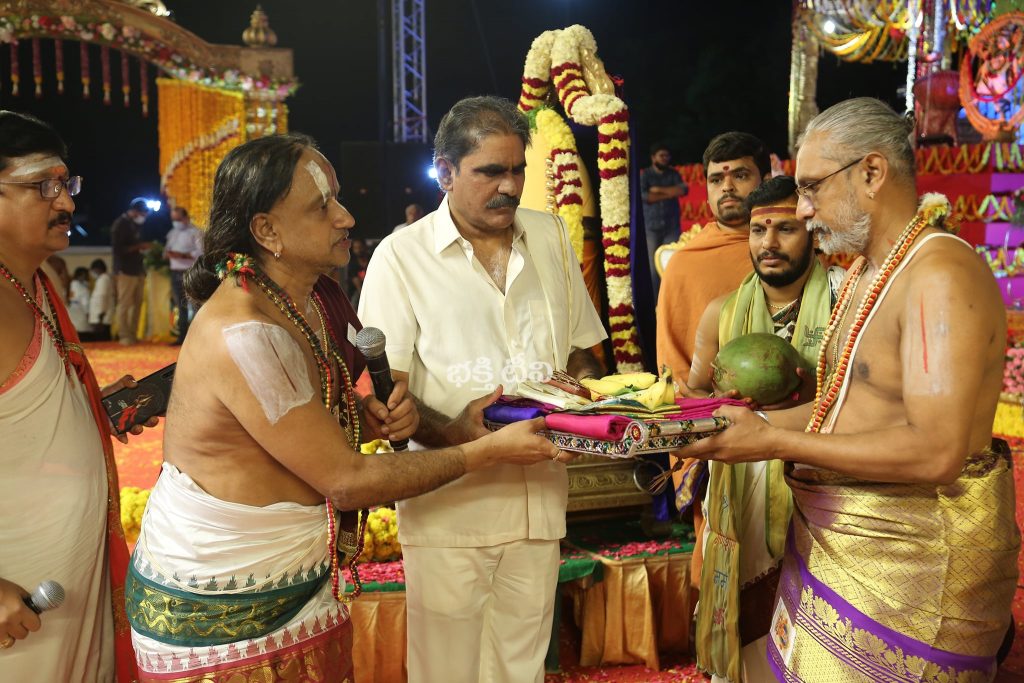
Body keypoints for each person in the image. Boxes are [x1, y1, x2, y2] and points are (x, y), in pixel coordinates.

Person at [126, 132, 568, 682]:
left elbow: (313, 409)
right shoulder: (246, 333)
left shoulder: (311, 299)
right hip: (222, 608)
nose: (346, 217)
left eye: (336, 197)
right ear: (267, 231)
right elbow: (347, 481)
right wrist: (486, 452)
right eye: (322, 207)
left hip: (296, 586)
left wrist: (411, 422)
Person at [677, 98, 1019, 680]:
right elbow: (844, 410)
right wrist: (736, 428)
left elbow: (936, 452)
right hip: (840, 543)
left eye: (812, 188)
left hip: (911, 567)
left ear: (872, 172)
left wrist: (771, 442)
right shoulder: (865, 271)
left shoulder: (937, 275)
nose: (804, 210)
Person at [359, 95, 607, 683]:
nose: (510, 186)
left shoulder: (550, 235)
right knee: (446, 671)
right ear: (444, 172)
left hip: (540, 501)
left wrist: (586, 411)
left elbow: (581, 351)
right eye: (491, 172)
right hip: (449, 507)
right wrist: (456, 433)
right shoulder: (401, 256)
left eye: (518, 169)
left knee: (523, 667)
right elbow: (388, 393)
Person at [0, 110, 153, 683]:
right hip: (17, 606)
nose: (65, 202)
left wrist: (87, 407)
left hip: (70, 590)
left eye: (67, 184)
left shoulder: (37, 283)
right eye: (43, 185)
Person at [684, 176, 843, 682]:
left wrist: (790, 409)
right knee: (750, 641)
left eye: (785, 229)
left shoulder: (847, 301)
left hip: (825, 485)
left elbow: (865, 403)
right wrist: (718, 407)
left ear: (813, 231)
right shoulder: (721, 312)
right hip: (740, 487)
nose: (768, 243)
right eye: (758, 230)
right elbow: (693, 398)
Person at [641, 142, 687, 294]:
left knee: (671, 263)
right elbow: (646, 197)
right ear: (653, 158)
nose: (665, 158)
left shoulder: (673, 173)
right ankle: (656, 301)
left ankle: (671, 297)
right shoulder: (646, 175)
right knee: (653, 268)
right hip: (651, 228)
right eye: (661, 156)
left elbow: (683, 190)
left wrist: (657, 190)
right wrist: (670, 193)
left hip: (671, 227)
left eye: (667, 156)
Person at [110, 197, 152, 345]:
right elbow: (117, 250)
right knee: (125, 304)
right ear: (134, 211)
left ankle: (133, 335)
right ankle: (124, 335)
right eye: (142, 214)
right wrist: (138, 247)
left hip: (138, 270)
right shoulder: (120, 224)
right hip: (125, 270)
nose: (143, 217)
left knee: (138, 303)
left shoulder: (135, 224)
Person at [163, 205, 202, 344]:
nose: (176, 222)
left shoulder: (195, 232)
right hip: (175, 272)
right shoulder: (172, 233)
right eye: (173, 219)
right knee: (180, 306)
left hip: (190, 271)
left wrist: (183, 255)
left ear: (186, 218)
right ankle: (182, 337)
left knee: (196, 305)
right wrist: (168, 254)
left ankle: (197, 338)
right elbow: (166, 251)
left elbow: (200, 253)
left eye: (178, 219)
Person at [88, 258, 114, 341]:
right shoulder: (103, 279)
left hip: (101, 319)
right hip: (101, 318)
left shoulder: (103, 279)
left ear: (97, 269)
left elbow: (101, 298)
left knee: (102, 341)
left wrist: (100, 317)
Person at [68, 266, 91, 334]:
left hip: (75, 308)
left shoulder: (74, 284)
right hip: (80, 309)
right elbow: (85, 301)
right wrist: (87, 312)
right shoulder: (77, 285)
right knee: (81, 328)